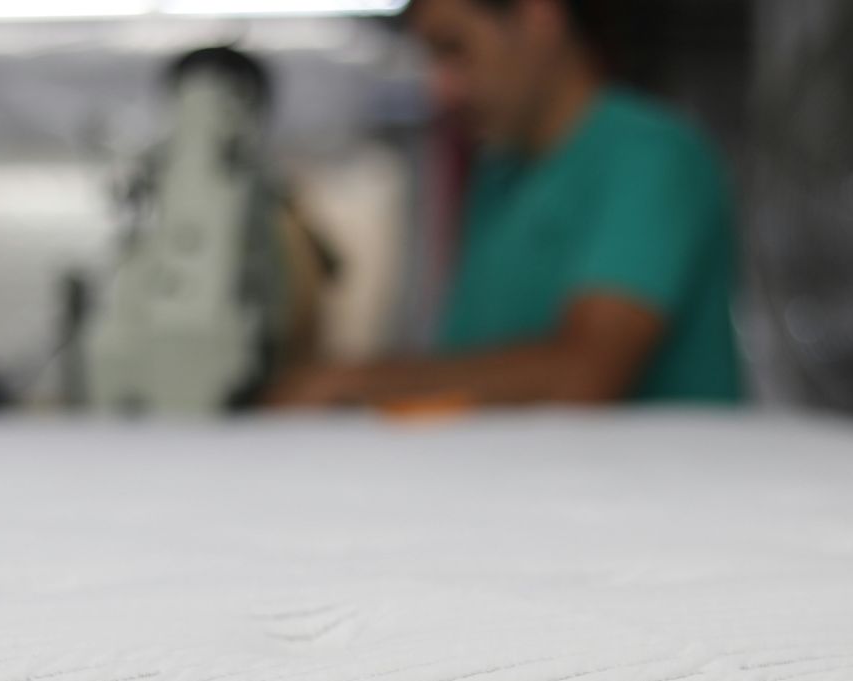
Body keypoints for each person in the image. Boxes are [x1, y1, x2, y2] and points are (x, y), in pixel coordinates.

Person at [267, 0, 744, 410]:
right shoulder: (498, 177)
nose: (442, 88)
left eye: (455, 49)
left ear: (537, 18)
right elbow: (469, 372)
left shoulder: (649, 157)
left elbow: (580, 378)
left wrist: (344, 385)